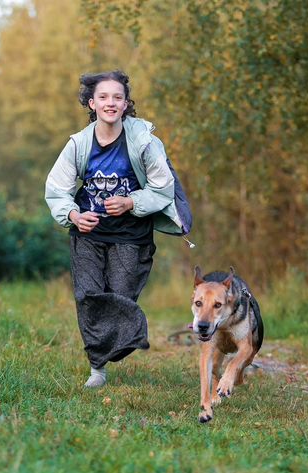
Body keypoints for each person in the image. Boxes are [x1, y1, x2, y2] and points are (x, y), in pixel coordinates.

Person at [45, 70, 187, 388]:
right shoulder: (79, 145)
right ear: (92, 103)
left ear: (125, 104)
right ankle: (97, 369)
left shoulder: (144, 143)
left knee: (120, 296)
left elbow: (162, 188)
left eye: (118, 97)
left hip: (130, 235)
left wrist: (130, 203)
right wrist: (72, 214)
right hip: (88, 233)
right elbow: (56, 189)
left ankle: (121, 340)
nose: (111, 102)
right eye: (104, 97)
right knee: (88, 296)